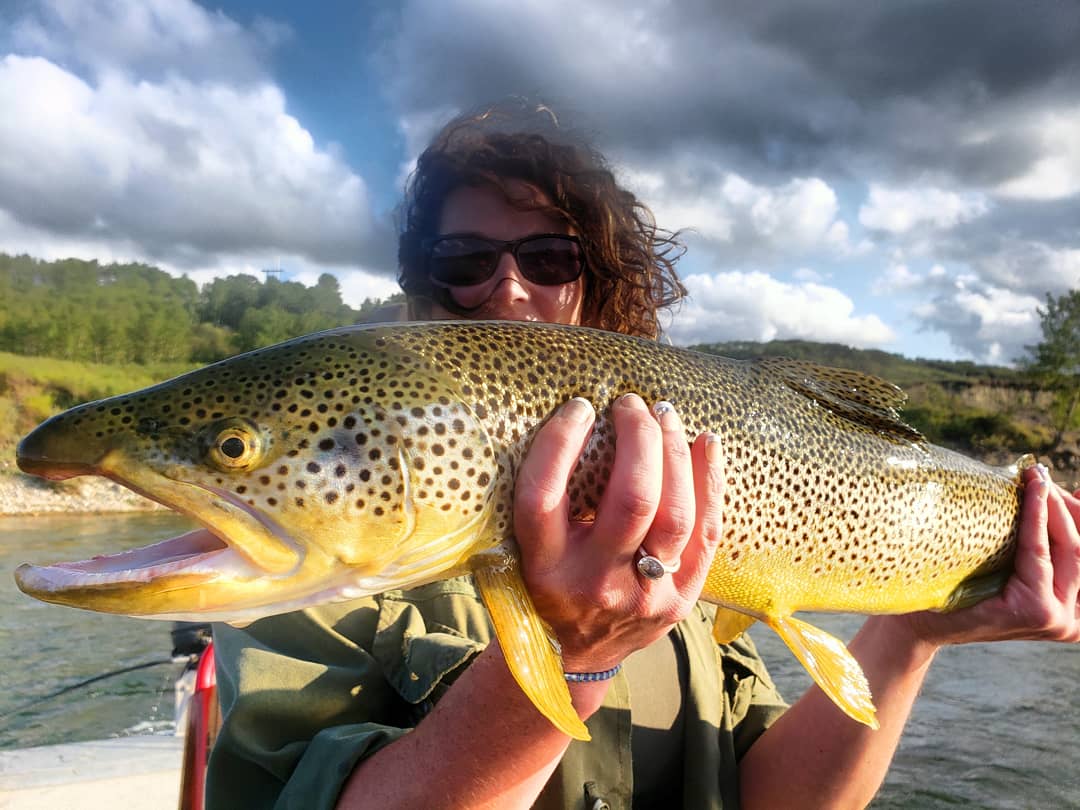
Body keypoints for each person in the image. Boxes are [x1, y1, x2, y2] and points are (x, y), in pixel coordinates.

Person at [206, 100, 1080, 810]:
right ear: (427, 285)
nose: (508, 287)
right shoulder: (312, 569)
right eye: (465, 259)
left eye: (549, 257)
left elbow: (776, 801)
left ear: (599, 285)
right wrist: (573, 654)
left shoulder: (679, 508)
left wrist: (912, 633)